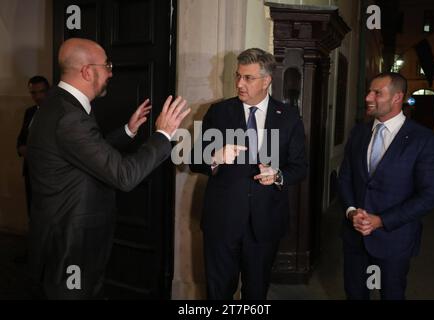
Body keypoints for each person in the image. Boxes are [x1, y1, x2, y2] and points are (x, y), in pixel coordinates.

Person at [27, 38, 190, 299]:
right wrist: (163, 134)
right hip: (71, 245)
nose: (111, 72)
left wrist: (129, 130)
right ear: (87, 71)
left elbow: (85, 153)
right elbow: (124, 176)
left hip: (69, 237)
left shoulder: (61, 103)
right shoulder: (69, 116)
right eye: (107, 65)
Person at [190, 48, 307, 300]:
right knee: (218, 292)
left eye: (248, 78)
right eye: (238, 76)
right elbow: (192, 160)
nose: (240, 84)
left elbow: (299, 167)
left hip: (265, 224)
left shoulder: (288, 117)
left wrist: (277, 176)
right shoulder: (218, 113)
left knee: (256, 293)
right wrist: (215, 157)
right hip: (222, 223)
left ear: (266, 81)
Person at [338, 72, 434, 300]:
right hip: (355, 237)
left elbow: (429, 195)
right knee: (355, 294)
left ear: (397, 98)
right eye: (369, 91)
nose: (368, 97)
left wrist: (382, 220)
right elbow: (345, 177)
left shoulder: (424, 140)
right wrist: (351, 211)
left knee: (391, 295)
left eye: (377, 93)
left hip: (394, 239)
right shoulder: (359, 132)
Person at [16, 76, 50, 216]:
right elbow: (20, 139)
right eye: (33, 93)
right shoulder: (30, 112)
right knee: (32, 211)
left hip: (49, 173)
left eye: (41, 92)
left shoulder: (57, 112)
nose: (38, 96)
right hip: (31, 170)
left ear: (48, 91)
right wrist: (22, 148)